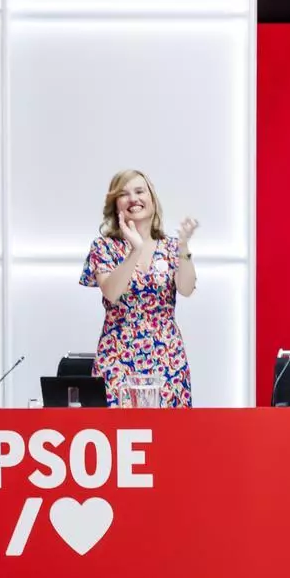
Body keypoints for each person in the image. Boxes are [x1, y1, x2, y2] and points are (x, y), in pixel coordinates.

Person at [80, 169, 198, 407]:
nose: (133, 199)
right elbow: (111, 292)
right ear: (116, 206)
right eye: (124, 194)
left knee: (170, 438)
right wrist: (135, 250)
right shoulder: (104, 247)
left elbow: (186, 288)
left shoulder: (171, 246)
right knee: (118, 437)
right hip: (118, 357)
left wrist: (184, 246)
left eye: (139, 191)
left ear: (152, 199)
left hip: (167, 358)